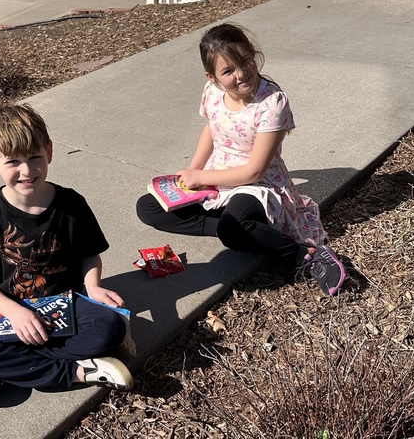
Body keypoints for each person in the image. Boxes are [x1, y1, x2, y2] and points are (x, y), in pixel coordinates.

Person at [135, 23, 346, 296]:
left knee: (233, 225)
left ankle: (306, 253)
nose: (241, 72)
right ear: (211, 77)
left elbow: (254, 171)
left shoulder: (272, 103)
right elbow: (212, 127)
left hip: (258, 185)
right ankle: (235, 227)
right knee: (148, 207)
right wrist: (194, 169)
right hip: (217, 175)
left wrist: (202, 178)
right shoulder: (212, 93)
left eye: (246, 60)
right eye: (228, 70)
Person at [0, 103, 133, 394]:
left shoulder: (72, 204)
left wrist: (94, 287)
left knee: (111, 328)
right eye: (12, 162)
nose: (26, 170)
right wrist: (14, 312)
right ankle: (79, 372)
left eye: (34, 157)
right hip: (12, 309)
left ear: (49, 151)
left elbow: (89, 255)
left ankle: (9, 369)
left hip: (68, 301)